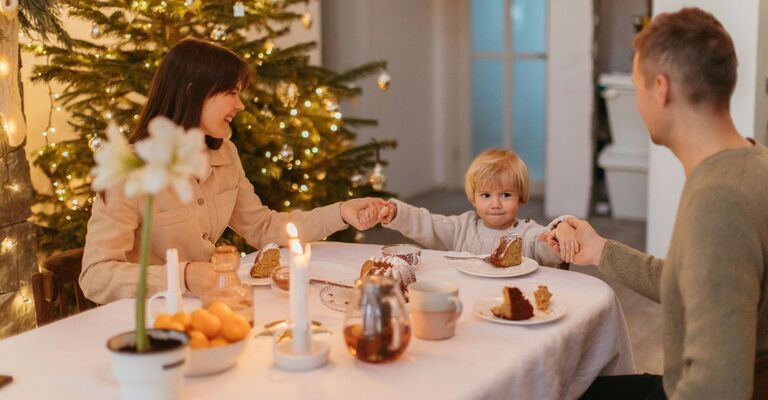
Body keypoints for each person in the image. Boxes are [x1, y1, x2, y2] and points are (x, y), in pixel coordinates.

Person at [546, 8, 768, 399]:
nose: (637, 103)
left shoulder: (719, 200)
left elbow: (718, 390)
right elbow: (697, 280)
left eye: (637, 86)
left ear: (661, 89)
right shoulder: (751, 162)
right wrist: (599, 250)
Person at [81, 38, 388, 304]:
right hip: (150, 328)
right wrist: (183, 275)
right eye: (230, 92)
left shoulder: (225, 154)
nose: (240, 105)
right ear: (192, 92)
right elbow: (95, 275)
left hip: (206, 311)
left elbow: (263, 227)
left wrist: (342, 212)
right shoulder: (133, 170)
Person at [365, 149, 577, 267]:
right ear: (473, 199)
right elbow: (426, 223)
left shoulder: (528, 233)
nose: (495, 204)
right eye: (486, 195)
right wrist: (396, 212)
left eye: (505, 195)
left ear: (521, 197)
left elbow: (549, 248)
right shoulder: (461, 227)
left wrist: (561, 232)